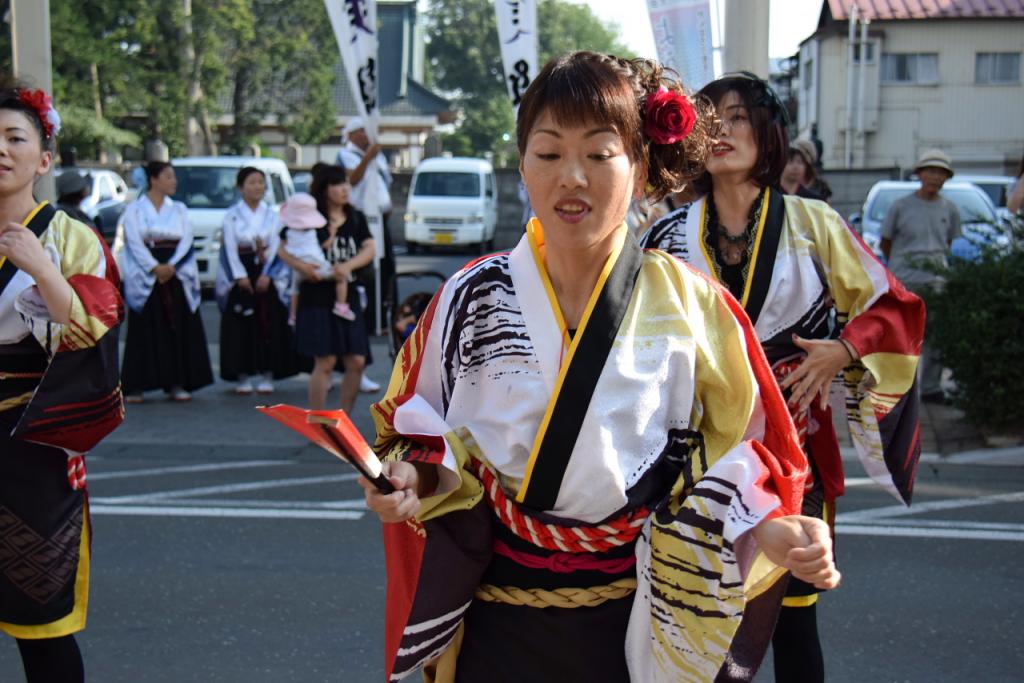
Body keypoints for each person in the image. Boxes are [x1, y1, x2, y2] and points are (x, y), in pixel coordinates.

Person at [361, 52, 840, 683]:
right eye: (548, 152)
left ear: (641, 167)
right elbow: (411, 427)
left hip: (633, 623)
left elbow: (745, 450)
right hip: (495, 625)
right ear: (522, 165)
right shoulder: (468, 299)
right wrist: (407, 479)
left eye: (599, 153)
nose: (572, 176)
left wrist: (767, 527)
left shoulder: (693, 305)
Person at [642, 72, 925, 683]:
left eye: (738, 117)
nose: (722, 131)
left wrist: (843, 350)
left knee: (796, 619)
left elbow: (892, 305)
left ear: (768, 133)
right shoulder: (665, 236)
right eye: (709, 119)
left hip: (793, 447)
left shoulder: (813, 222)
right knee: (705, 613)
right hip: (700, 452)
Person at [0, 81, 124, 683]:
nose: (1, 150)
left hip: (32, 437)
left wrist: (43, 269)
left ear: (44, 160)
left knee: (41, 618)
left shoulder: (70, 237)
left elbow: (93, 334)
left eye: (14, 138)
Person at [277, 164, 374, 412]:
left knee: (357, 361)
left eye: (346, 184)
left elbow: (370, 249)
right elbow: (281, 247)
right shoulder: (309, 216)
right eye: (337, 184)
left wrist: (348, 266)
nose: (344, 189)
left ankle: (343, 419)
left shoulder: (355, 217)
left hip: (347, 295)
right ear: (324, 189)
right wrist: (301, 267)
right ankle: (320, 422)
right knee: (325, 361)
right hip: (316, 294)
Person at [120, 161, 213, 403]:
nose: (174, 181)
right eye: (169, 176)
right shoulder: (134, 210)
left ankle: (177, 382)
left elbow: (186, 240)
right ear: (153, 179)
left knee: (177, 326)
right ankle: (137, 385)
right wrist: (154, 266)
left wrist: (171, 266)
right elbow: (133, 242)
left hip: (175, 271)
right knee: (144, 328)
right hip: (147, 271)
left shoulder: (179, 209)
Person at [880, 148, 959, 404]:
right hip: (904, 279)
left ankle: (931, 387)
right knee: (902, 334)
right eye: (931, 171)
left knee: (936, 335)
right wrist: (901, 265)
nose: (935, 177)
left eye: (941, 172)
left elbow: (948, 242)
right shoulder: (900, 206)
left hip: (936, 279)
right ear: (920, 174)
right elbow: (885, 242)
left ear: (947, 177)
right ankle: (899, 387)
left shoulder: (950, 209)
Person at [215, 166, 296, 395]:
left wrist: (268, 274)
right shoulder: (232, 215)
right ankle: (242, 375)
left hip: (266, 272)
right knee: (240, 326)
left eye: (261, 182)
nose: (257, 187)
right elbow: (229, 249)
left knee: (268, 323)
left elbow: (278, 246)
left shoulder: (273, 215)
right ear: (241, 187)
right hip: (241, 271)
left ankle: (268, 373)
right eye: (251, 182)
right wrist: (240, 276)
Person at [338, 118, 394, 392]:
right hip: (362, 218)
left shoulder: (377, 155)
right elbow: (353, 180)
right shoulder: (346, 154)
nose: (365, 135)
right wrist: (368, 157)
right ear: (350, 134)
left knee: (386, 271)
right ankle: (370, 321)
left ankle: (381, 318)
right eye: (359, 131)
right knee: (366, 275)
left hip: (379, 219)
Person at [280, 192, 357, 322]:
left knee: (294, 290)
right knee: (342, 276)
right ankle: (341, 305)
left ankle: (293, 315)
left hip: (297, 270)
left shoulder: (286, 231)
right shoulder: (315, 230)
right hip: (318, 266)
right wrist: (332, 234)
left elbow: (281, 247)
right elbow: (326, 245)